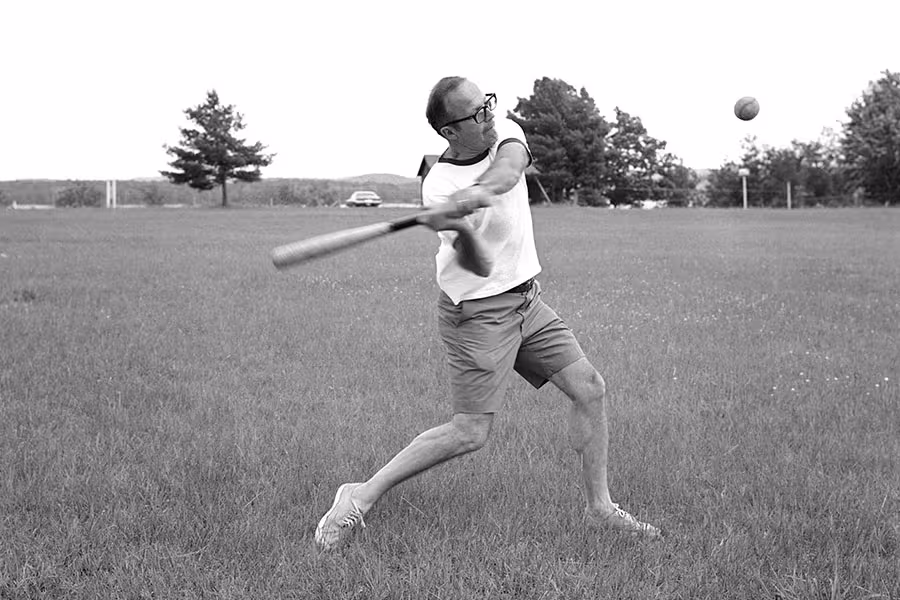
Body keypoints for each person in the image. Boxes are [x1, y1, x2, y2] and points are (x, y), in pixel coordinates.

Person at [314, 77, 661, 550]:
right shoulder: (438, 188)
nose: (489, 115)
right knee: (469, 432)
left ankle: (600, 509)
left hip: (526, 299)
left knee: (590, 388)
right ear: (449, 132)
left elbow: (511, 169)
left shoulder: (504, 133)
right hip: (477, 314)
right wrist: (457, 224)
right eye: (475, 114)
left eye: (487, 104)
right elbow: (478, 264)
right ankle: (359, 495)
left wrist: (478, 194)